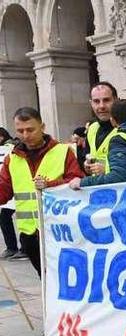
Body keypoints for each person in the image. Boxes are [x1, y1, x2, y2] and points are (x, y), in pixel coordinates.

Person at [0, 107, 82, 274]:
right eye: (20, 131)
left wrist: (50, 184)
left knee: (64, 279)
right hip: (29, 234)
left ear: (42, 127)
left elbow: (76, 182)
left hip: (60, 230)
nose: (25, 135)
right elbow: (4, 190)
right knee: (44, 279)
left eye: (30, 129)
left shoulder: (63, 152)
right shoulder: (12, 158)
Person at [0, 129, 25, 260]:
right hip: (11, 190)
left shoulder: (11, 149)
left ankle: (21, 248)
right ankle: (13, 247)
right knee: (5, 217)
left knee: (25, 219)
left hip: (22, 191)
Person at [84, 82, 119, 174]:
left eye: (106, 100)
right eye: (96, 101)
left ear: (116, 100)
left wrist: (107, 170)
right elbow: (88, 155)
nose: (101, 106)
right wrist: (87, 165)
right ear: (91, 104)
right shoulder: (92, 128)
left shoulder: (125, 128)